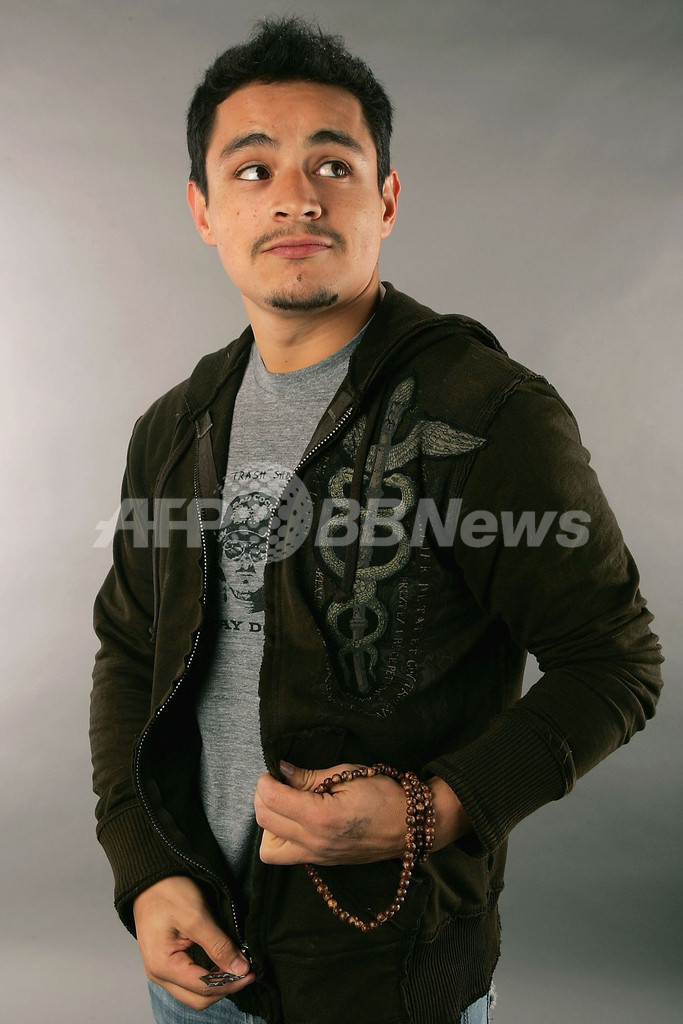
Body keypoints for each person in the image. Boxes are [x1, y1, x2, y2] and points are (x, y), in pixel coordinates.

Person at [90, 16, 663, 1024]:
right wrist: (147, 873)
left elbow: (615, 665)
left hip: (387, 981)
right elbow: (130, 654)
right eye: (253, 169)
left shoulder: (485, 410)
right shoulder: (174, 429)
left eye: (333, 165)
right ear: (203, 209)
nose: (297, 196)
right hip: (196, 960)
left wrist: (430, 810)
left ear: (385, 197)